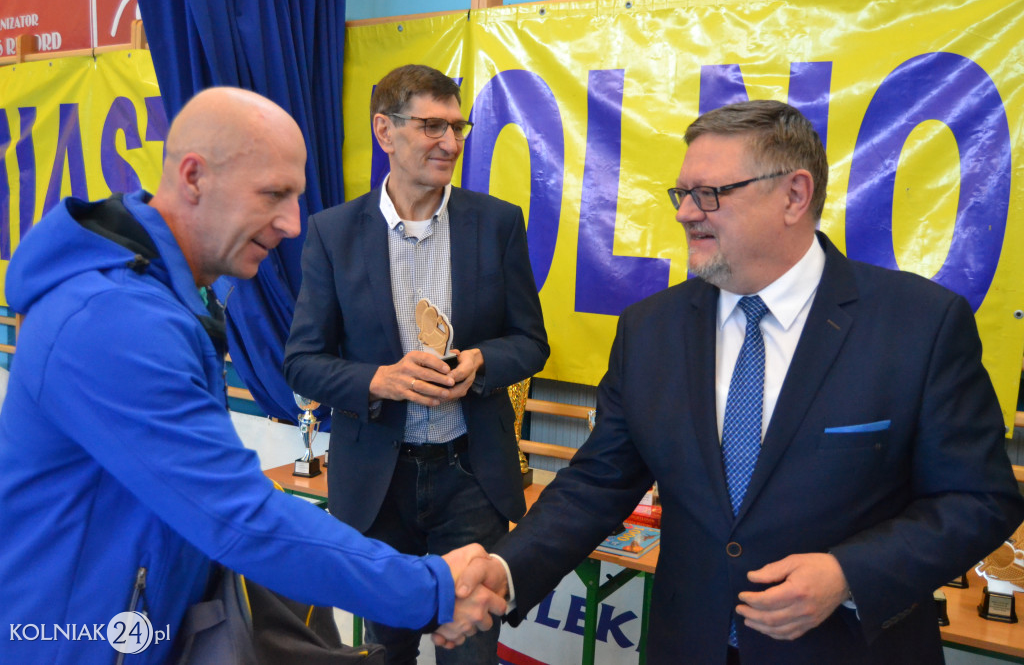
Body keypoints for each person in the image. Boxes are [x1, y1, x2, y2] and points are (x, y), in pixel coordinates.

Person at [443, 100, 1024, 664]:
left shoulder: (919, 324)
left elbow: (979, 499)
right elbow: (598, 482)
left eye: (709, 194)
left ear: (794, 195)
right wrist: (506, 570)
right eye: (682, 194)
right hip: (688, 644)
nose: (684, 214)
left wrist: (849, 574)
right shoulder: (651, 329)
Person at [0, 87, 502, 665]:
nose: (290, 224)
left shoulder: (165, 299)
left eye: (296, 197)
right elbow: (238, 518)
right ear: (194, 177)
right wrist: (431, 590)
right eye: (272, 195)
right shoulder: (113, 320)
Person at [284, 64, 549, 664]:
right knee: (387, 652)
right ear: (385, 130)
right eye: (433, 126)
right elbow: (301, 362)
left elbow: (531, 342)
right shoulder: (333, 233)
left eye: (458, 127)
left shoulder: (498, 224)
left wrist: (482, 361)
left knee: (470, 655)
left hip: (470, 479)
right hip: (379, 488)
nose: (450, 143)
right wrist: (378, 380)